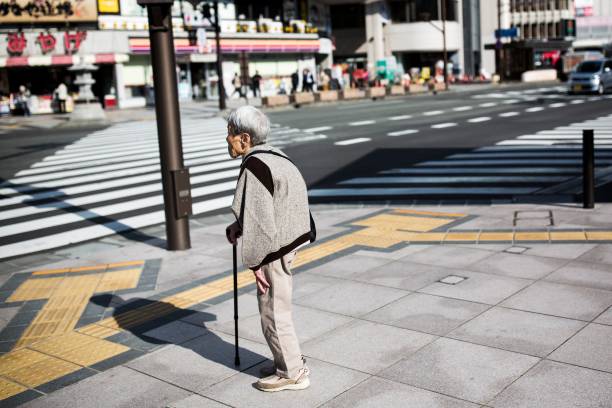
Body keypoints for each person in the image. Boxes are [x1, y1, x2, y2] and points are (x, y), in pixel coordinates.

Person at [225, 106, 316, 392]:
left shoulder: (254, 165)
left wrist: (254, 262)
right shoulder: (277, 157)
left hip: (274, 249)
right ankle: (285, 361)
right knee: (279, 306)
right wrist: (239, 227)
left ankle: (292, 372)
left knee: (273, 312)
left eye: (229, 134)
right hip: (290, 239)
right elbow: (274, 204)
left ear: (244, 138)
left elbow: (260, 220)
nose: (226, 140)